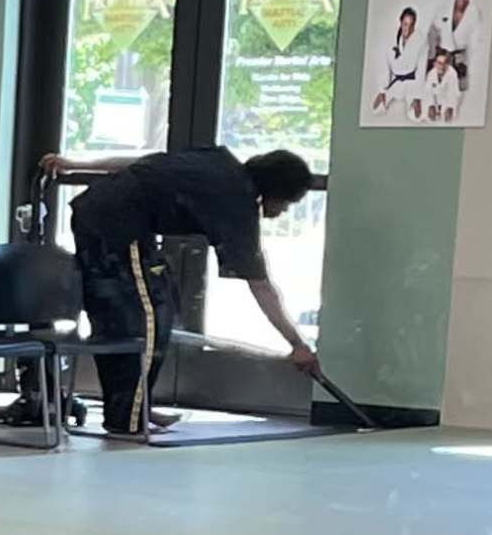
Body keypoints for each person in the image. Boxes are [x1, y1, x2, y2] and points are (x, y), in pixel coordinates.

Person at [37, 139, 334, 440]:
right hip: (116, 225)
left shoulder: (218, 161)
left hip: (103, 216)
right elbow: (261, 285)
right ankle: (127, 417)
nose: (283, 211)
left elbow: (144, 164)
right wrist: (297, 343)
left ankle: (135, 407)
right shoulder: (236, 202)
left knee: (140, 312)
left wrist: (77, 165)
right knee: (146, 319)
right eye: (286, 204)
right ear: (275, 191)